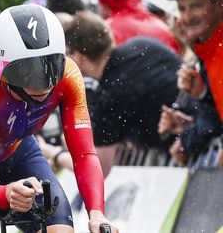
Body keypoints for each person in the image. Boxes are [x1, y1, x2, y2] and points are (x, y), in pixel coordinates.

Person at [0, 4, 118, 233]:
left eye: (51, 67)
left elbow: (84, 154)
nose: (43, 83)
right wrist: (5, 193)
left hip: (18, 153)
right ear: (3, 67)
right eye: (28, 71)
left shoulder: (69, 75)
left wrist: (97, 213)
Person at [61, 11, 183, 176]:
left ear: (78, 56)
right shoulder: (140, 43)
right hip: (209, 126)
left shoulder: (109, 97)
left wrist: (55, 155)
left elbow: (98, 170)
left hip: (187, 153)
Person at [158, 0, 223, 165]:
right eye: (181, 9)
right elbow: (216, 119)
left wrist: (188, 138)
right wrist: (202, 94)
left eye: (196, 6)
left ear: (220, 3)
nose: (186, 17)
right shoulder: (209, 51)